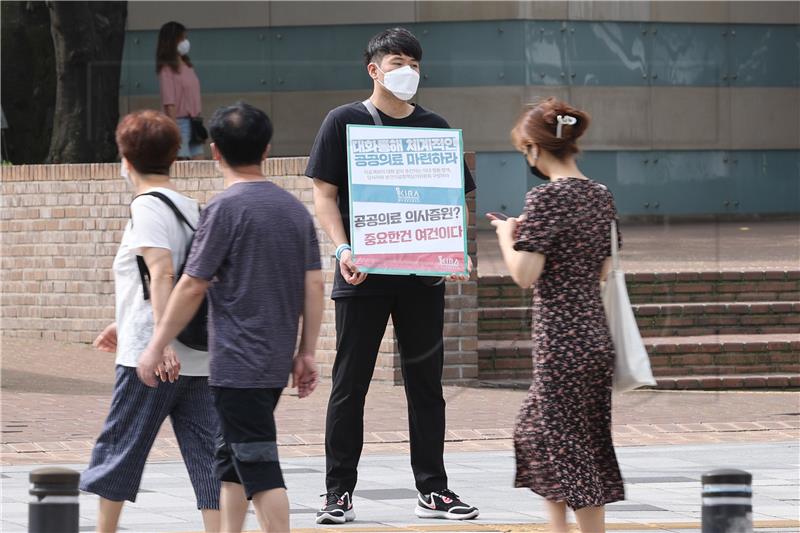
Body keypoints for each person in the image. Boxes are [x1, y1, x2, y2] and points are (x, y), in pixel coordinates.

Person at [306, 27, 479, 524]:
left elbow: (452, 200)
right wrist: (342, 249)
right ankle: (337, 491)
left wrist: (457, 252)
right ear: (373, 69)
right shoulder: (344, 121)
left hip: (422, 278)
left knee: (427, 384)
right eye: (396, 62)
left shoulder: (434, 127)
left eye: (414, 64)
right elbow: (323, 194)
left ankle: (434, 489)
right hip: (362, 273)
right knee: (350, 384)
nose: (406, 72)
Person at [137, 102, 324, 533]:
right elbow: (313, 286)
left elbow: (190, 285)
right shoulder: (294, 211)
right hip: (273, 359)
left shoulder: (224, 209)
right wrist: (306, 352)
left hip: (238, 364)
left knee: (258, 464)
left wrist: (156, 344)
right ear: (268, 149)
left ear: (215, 151)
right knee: (232, 458)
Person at [489, 97, 625, 533]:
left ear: (534, 147)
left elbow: (526, 275)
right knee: (541, 433)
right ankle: (558, 528)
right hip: (594, 336)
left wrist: (508, 236)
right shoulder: (601, 196)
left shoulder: (545, 198)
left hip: (561, 342)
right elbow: (606, 267)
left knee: (569, 446)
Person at [80, 110, 220, 533]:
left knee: (120, 448)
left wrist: (158, 344)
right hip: (196, 356)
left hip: (154, 359)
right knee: (208, 457)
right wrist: (124, 323)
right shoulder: (193, 208)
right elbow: (165, 281)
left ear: (125, 158)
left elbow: (161, 273)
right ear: (174, 156)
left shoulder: (147, 206)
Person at [156, 21, 204, 160]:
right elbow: (169, 101)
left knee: (199, 165)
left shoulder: (187, 65)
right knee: (182, 165)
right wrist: (173, 129)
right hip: (179, 122)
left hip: (194, 122)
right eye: (182, 38)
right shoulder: (167, 69)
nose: (185, 42)